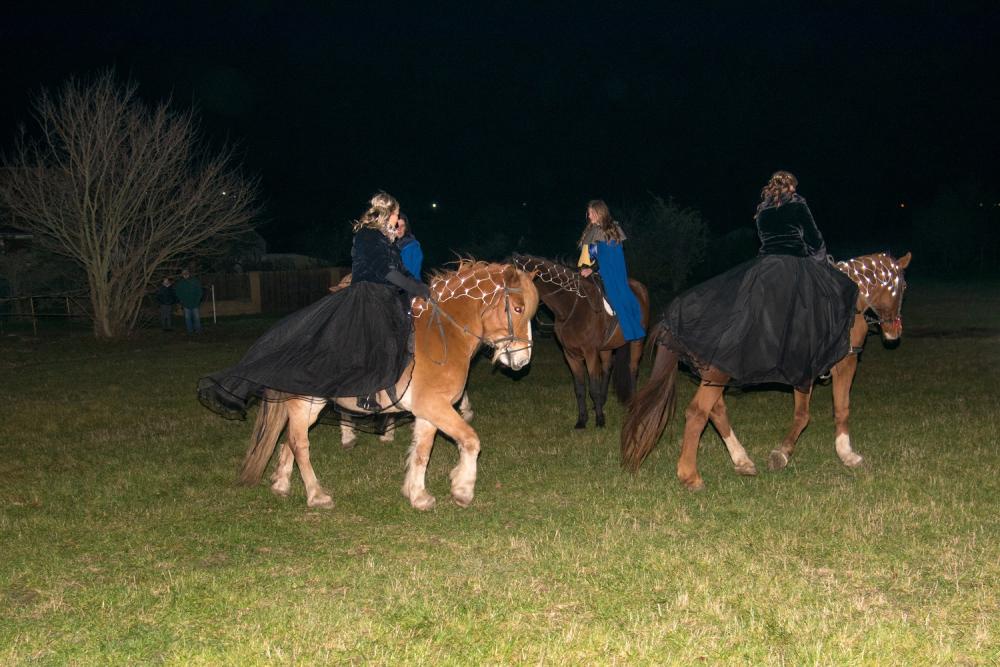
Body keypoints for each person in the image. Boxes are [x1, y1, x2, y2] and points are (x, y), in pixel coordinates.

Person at [198, 192, 431, 417]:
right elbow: (385, 271)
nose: (397, 219)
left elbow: (401, 270)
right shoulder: (368, 236)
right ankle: (364, 391)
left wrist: (423, 288)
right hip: (368, 298)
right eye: (396, 213)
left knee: (395, 341)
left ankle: (387, 387)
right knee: (373, 342)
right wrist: (414, 288)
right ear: (387, 212)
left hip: (386, 298)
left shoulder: (388, 241)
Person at [660, 171, 858, 390]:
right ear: (791, 186)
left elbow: (765, 240)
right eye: (794, 186)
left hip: (764, 268)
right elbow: (815, 239)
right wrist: (820, 261)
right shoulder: (798, 205)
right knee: (834, 295)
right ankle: (815, 357)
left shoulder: (762, 211)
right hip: (792, 266)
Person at [576, 199, 645, 341]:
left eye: (591, 213)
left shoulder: (610, 230)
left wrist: (592, 270)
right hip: (587, 268)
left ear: (599, 213)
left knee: (615, 296)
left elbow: (608, 258)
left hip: (607, 271)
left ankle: (627, 328)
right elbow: (587, 254)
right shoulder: (591, 230)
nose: (589, 216)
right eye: (588, 213)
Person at [395, 212, 423, 279]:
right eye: (397, 226)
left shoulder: (413, 246)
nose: (399, 229)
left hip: (409, 284)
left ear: (406, 227)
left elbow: (414, 274)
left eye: (402, 226)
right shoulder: (386, 244)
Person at [175, 269, 203, 334]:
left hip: (195, 303)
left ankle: (198, 330)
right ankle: (190, 331)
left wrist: (197, 301)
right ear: (182, 274)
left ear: (189, 273)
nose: (185, 274)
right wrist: (182, 301)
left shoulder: (195, 281)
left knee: (197, 318)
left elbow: (200, 292)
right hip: (186, 304)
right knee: (187, 319)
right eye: (183, 273)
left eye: (186, 272)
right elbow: (178, 293)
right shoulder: (180, 283)